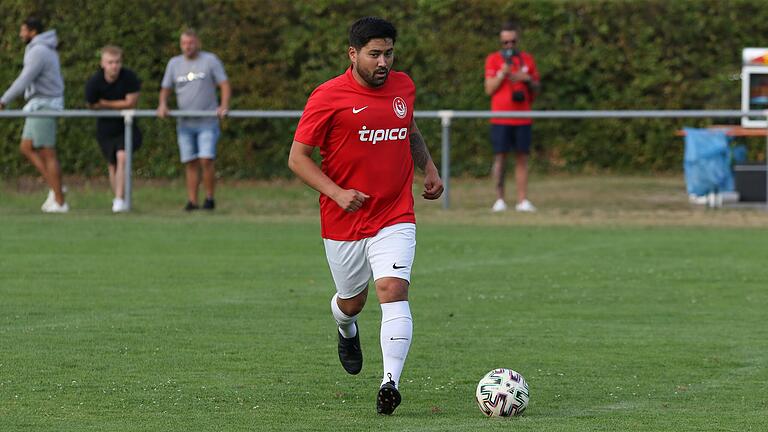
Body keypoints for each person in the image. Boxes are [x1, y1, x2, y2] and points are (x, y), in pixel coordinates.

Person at [288, 16, 443, 416]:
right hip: (344, 221)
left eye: (389, 53)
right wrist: (337, 193)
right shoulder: (328, 96)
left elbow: (407, 127)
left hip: (395, 212)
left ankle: (389, 383)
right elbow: (297, 158)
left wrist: (429, 168)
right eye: (374, 54)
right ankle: (345, 327)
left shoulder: (403, 87)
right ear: (353, 54)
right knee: (352, 302)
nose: (383, 62)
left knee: (392, 290)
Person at [157, 29, 230, 211]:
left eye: (191, 42)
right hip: (185, 123)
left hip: (207, 121)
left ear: (198, 42)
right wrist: (163, 104)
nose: (188, 46)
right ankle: (192, 201)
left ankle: (209, 199)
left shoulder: (210, 60)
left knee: (206, 160)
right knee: (190, 162)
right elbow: (165, 88)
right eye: (184, 43)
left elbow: (224, 84)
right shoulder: (174, 63)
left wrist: (224, 105)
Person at [0, 16, 68, 213]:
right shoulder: (38, 49)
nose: (21, 34)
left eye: (23, 31)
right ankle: (56, 187)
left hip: (45, 105)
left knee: (48, 152)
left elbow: (24, 79)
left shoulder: (38, 51)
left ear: (32, 32)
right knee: (26, 147)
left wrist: (4, 100)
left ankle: (60, 201)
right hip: (36, 104)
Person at [484, 21, 540, 212]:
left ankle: (522, 200)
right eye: (505, 43)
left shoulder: (527, 60)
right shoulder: (493, 59)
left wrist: (527, 79)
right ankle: (499, 200)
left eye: (512, 42)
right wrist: (502, 74)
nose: (509, 46)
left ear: (517, 41)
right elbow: (489, 89)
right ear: (501, 43)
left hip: (523, 117)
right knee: (500, 159)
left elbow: (537, 89)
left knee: (522, 158)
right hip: (500, 118)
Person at [85, 45, 142, 213]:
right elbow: (91, 104)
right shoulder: (94, 81)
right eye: (110, 62)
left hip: (126, 126)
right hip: (105, 128)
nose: (114, 66)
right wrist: (116, 105)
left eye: (117, 62)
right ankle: (120, 198)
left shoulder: (129, 77)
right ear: (103, 63)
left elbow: (131, 102)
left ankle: (118, 200)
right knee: (113, 165)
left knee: (122, 156)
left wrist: (105, 104)